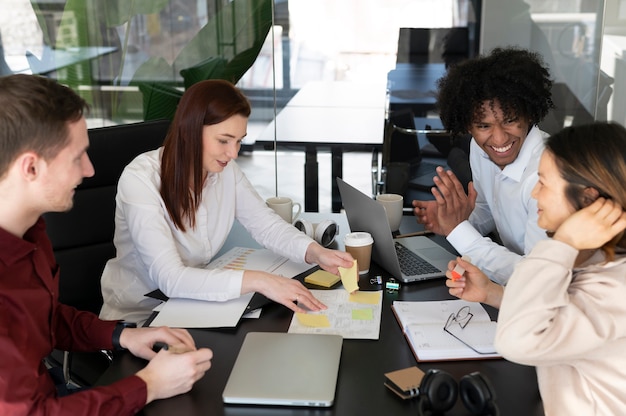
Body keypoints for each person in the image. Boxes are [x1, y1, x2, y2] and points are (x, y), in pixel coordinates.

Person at [0, 74, 214, 415]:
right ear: (31, 167)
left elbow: (40, 319)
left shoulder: (30, 229)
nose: (89, 170)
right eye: (77, 157)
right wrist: (148, 386)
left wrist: (121, 336)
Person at [99, 79, 354, 324]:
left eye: (239, 140)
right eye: (223, 140)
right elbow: (170, 279)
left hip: (193, 307)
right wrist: (261, 281)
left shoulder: (225, 172)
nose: (233, 153)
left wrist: (315, 252)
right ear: (189, 130)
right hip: (138, 320)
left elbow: (266, 225)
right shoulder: (141, 180)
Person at [448, 122, 626, 414]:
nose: (534, 194)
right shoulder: (596, 262)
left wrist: (563, 242)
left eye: (543, 182)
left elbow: (516, 341)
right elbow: (561, 314)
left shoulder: (614, 288)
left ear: (589, 199)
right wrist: (492, 293)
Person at [412, 47, 554, 284]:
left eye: (510, 121)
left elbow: (535, 278)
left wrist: (459, 230)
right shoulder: (480, 148)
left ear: (530, 114)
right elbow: (490, 207)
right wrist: (456, 219)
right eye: (484, 126)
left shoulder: (549, 177)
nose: (499, 139)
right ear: (468, 126)